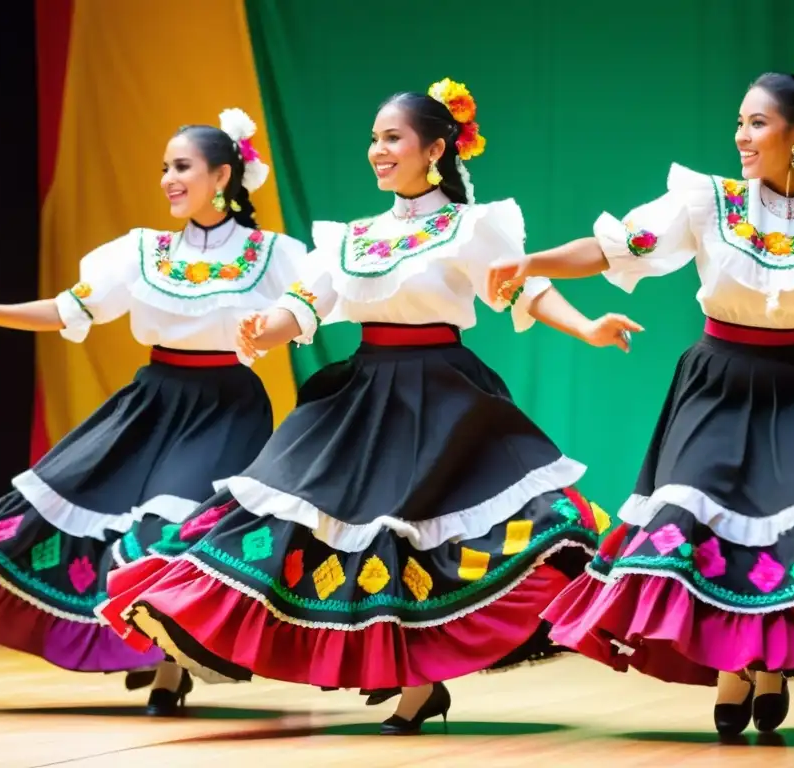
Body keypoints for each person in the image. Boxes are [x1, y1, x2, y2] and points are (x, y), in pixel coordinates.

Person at [95, 77, 638, 734]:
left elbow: (523, 289)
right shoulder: (353, 235)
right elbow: (308, 299)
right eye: (374, 140)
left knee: (419, 539)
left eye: (392, 139)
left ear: (434, 149)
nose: (378, 151)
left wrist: (585, 328)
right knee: (310, 521)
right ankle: (386, 672)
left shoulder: (470, 226)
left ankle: (419, 684)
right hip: (362, 392)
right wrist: (267, 327)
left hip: (439, 395)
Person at [486, 50, 794, 736]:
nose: (742, 137)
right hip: (715, 383)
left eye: (757, 123)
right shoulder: (707, 203)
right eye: (739, 124)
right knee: (698, 517)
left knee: (787, 529)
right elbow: (615, 248)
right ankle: (728, 665)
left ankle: (766, 664)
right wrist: (533, 262)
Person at [0, 108, 318, 716]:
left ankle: (170, 670)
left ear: (222, 176)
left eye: (182, 167)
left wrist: (271, 330)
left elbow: (313, 306)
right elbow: (73, 309)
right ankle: (149, 648)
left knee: (171, 532)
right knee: (60, 500)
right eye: (165, 169)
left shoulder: (273, 253)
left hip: (226, 406)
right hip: (153, 401)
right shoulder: (140, 252)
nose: (168, 179)